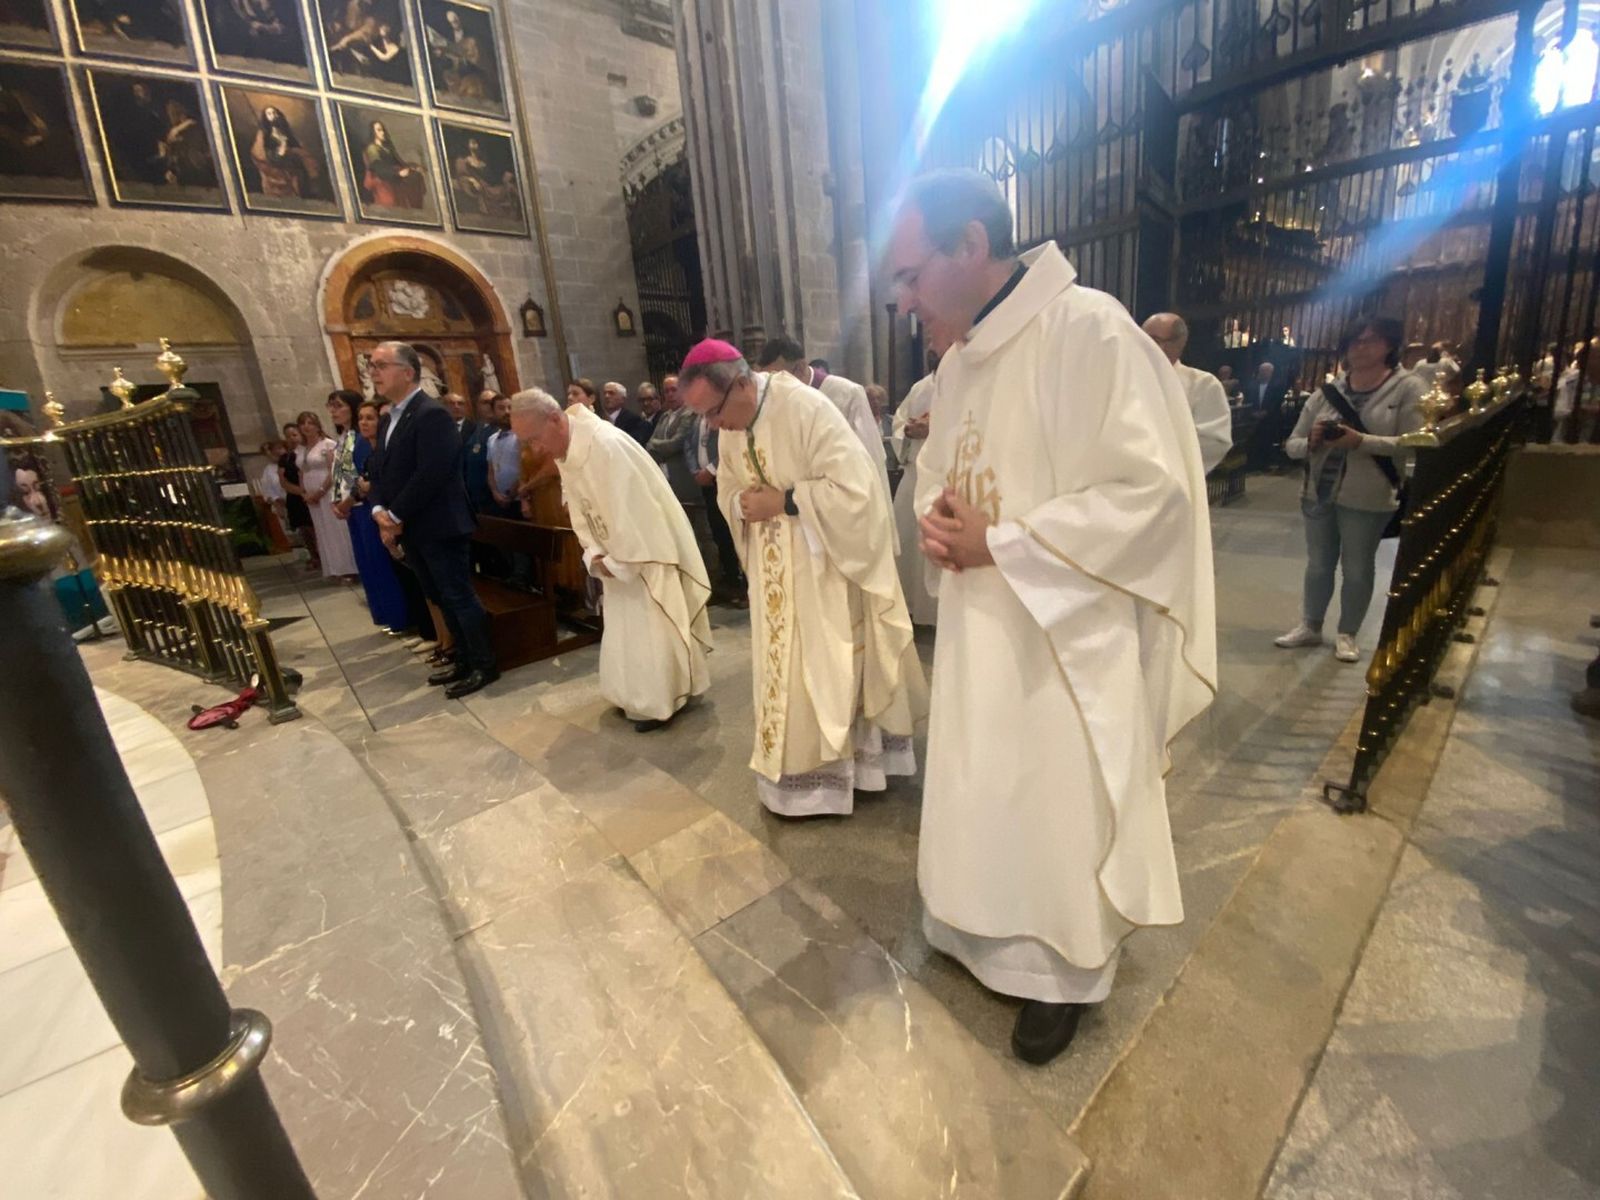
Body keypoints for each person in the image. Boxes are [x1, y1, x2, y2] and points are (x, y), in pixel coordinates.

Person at [888, 168, 1217, 1064]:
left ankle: (1060, 973)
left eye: (912, 274)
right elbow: (941, 474)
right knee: (984, 776)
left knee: (1050, 790)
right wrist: (941, 527)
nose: (905, 299)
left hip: (1065, 631)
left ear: (971, 245)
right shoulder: (957, 364)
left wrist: (1005, 542)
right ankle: (971, 924)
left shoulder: (1090, 330)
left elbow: (1153, 496)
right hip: (979, 622)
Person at [678, 338, 926, 818]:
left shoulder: (806, 409)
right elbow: (729, 486)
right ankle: (793, 777)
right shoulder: (732, 424)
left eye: (714, 412)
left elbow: (858, 492)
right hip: (774, 573)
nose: (714, 426)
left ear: (742, 383)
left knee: (826, 667)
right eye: (703, 417)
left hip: (824, 567)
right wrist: (741, 505)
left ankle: (845, 774)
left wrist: (786, 501)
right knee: (784, 671)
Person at [513, 388, 714, 730]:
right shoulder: (569, 449)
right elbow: (579, 508)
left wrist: (620, 560)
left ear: (555, 419)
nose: (535, 450)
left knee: (653, 626)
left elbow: (636, 508)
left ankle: (663, 698)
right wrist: (593, 552)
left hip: (645, 554)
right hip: (611, 556)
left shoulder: (606, 445)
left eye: (534, 439)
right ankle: (633, 695)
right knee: (626, 628)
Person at [1277, 315, 1427, 663]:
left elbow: (1415, 443)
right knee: (1318, 564)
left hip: (1367, 493)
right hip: (1319, 491)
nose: (1360, 348)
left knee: (1357, 567)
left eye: (1369, 340)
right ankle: (1310, 625)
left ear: (1389, 345)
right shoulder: (1328, 392)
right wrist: (1312, 441)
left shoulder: (1408, 388)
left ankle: (1347, 633)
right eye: (1354, 342)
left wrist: (1361, 441)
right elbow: (1292, 445)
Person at [367, 340, 498, 698]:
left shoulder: (431, 414)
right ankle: (463, 659)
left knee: (458, 595)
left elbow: (432, 472)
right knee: (438, 595)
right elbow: (378, 471)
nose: (373, 372)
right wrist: (378, 510)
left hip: (440, 524)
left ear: (407, 372)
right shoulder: (388, 419)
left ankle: (484, 664)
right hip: (413, 526)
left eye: (380, 365)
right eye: (372, 366)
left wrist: (395, 514)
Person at [756, 335, 896, 549]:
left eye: (778, 377)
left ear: (800, 367)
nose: (773, 387)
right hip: (802, 512)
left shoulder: (846, 394)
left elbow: (871, 460)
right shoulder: (775, 400)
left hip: (844, 506)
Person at [891, 339, 950, 628]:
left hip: (945, 479)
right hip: (914, 475)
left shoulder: (965, 380)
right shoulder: (920, 388)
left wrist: (934, 427)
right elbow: (898, 422)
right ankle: (912, 607)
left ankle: (939, 615)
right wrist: (908, 430)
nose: (932, 352)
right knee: (908, 542)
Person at [345, 400, 410, 631]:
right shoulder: (364, 449)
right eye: (361, 418)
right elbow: (361, 480)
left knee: (407, 574)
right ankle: (405, 621)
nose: (363, 423)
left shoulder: (389, 450)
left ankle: (413, 623)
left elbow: (389, 484)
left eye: (370, 418)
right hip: (378, 514)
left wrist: (368, 490)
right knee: (388, 569)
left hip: (396, 516)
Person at [1142, 312, 1233, 473]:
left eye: (1152, 340)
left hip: (1174, 478)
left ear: (1177, 344)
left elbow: (1214, 441)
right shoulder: (1127, 378)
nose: (1142, 345)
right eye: (1140, 338)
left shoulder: (1203, 385)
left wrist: (1148, 450)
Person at [682, 397, 748, 608]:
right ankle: (731, 580)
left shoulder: (725, 412)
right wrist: (695, 471)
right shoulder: (696, 418)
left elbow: (732, 446)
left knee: (734, 531)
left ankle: (745, 586)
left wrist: (710, 470)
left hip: (726, 480)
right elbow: (689, 444)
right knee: (719, 534)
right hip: (707, 485)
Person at [296, 409, 357, 580]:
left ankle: (348, 568)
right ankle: (334, 568)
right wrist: (304, 493)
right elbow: (301, 472)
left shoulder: (327, 444)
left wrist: (320, 492)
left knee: (335, 529)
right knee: (323, 531)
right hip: (311, 495)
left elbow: (334, 471)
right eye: (302, 423)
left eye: (310, 423)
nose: (306, 427)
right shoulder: (301, 449)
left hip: (327, 490)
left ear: (317, 425)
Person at [278, 422, 318, 568]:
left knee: (314, 528)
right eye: (288, 436)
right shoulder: (285, 458)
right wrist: (300, 491)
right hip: (295, 496)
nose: (292, 439)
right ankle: (314, 556)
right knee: (304, 529)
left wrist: (307, 491)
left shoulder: (308, 453)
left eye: (294, 435)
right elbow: (283, 480)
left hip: (312, 493)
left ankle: (323, 555)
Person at [360, 119, 425, 209]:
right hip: (385, 174)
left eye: (383, 130)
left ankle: (416, 208)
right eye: (379, 130)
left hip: (394, 171)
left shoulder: (387, 147)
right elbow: (377, 167)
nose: (382, 132)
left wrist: (413, 167)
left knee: (416, 176)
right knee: (410, 181)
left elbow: (399, 162)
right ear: (373, 132)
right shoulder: (372, 148)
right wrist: (397, 173)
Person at [485, 392, 522, 517]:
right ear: (492, 412)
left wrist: (512, 494)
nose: (507, 412)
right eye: (501, 408)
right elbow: (491, 471)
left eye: (510, 407)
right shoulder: (491, 439)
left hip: (521, 498)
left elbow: (526, 468)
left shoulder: (521, 436)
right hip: (499, 499)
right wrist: (495, 492)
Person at [601, 380, 652, 444]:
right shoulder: (598, 418)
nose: (606, 396)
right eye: (604, 393)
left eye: (611, 393)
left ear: (622, 399)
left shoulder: (633, 420)